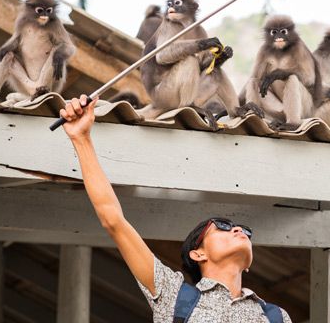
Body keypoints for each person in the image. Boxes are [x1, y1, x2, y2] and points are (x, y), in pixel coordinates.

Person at [59, 95, 293, 322]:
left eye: (244, 230)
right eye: (222, 227)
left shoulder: (276, 317)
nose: (237, 230)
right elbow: (113, 220)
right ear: (198, 253)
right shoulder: (174, 296)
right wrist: (82, 139)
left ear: (249, 265)